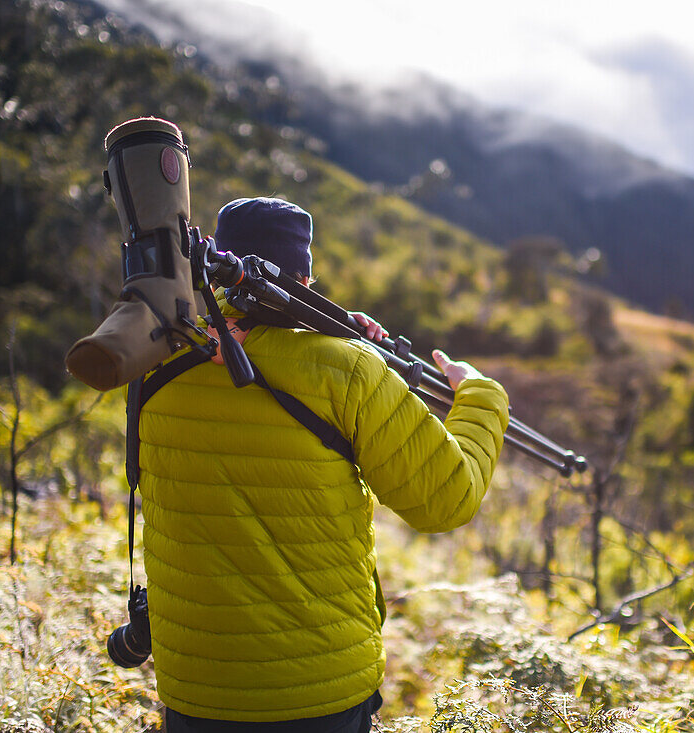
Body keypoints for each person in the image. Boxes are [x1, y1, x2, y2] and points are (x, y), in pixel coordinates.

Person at [136, 196, 510, 730]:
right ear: (306, 279)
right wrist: (479, 394)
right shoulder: (348, 372)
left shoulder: (157, 358)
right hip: (320, 694)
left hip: (194, 694)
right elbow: (446, 499)